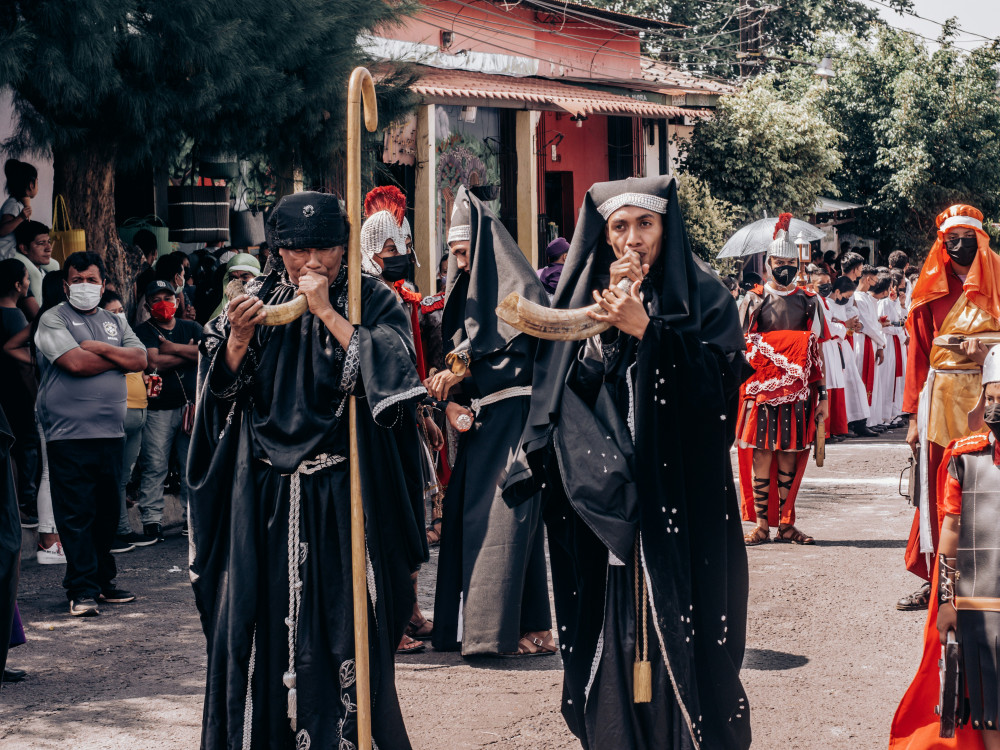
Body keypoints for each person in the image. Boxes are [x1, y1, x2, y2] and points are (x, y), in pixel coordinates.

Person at [503, 175, 751, 749]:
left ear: (666, 227)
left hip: (683, 503)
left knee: (688, 628)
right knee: (608, 627)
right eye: (620, 227)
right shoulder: (585, 296)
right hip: (608, 508)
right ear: (605, 234)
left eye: (646, 224)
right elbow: (566, 390)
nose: (633, 239)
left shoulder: (706, 296)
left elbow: (720, 400)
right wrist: (604, 335)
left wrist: (651, 332)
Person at [188, 192, 427, 749]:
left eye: (324, 248)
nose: (312, 261)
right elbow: (221, 400)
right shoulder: (252, 303)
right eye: (297, 250)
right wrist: (238, 342)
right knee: (265, 634)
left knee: (345, 632)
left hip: (344, 500)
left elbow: (392, 381)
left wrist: (326, 313)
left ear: (345, 248)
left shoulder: (372, 299)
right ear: (278, 250)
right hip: (267, 502)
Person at [428, 186, 554, 658]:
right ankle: (517, 627)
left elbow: (503, 347)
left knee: (505, 523)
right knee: (472, 519)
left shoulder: (521, 288)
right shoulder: (467, 288)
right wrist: (450, 393)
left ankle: (504, 632)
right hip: (483, 425)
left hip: (515, 422)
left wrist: (457, 369)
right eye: (454, 254)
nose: (459, 263)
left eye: (464, 253)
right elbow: (469, 352)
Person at [889, 346, 1000, 749]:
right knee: (989, 705)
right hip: (981, 609)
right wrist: (947, 603)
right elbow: (950, 534)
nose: (994, 409)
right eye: (990, 398)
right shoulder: (967, 459)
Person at [898, 204, 1000, 613]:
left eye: (967, 237)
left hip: (993, 394)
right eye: (950, 239)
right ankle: (937, 578)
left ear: (981, 238)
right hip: (940, 400)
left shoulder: (998, 279)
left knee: (990, 485)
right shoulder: (931, 288)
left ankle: (988, 575)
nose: (959, 246)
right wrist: (910, 418)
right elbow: (918, 354)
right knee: (940, 489)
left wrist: (988, 356)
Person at [34, 252, 147, 616]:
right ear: (66, 284)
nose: (85, 286)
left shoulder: (115, 320)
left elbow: (141, 360)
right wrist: (118, 357)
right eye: (77, 279)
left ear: (103, 283)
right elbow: (74, 364)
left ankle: (102, 582)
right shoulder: (53, 319)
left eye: (92, 279)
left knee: (105, 513)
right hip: (68, 435)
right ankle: (80, 589)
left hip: (111, 433)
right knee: (76, 515)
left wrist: (99, 347)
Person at [360, 190, 443, 655]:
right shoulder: (364, 300)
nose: (400, 257)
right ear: (371, 252)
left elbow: (410, 361)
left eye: (402, 248)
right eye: (389, 250)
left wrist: (422, 412)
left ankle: (409, 610)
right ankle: (391, 619)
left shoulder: (403, 298)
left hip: (408, 419)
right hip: (379, 430)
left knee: (412, 517)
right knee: (387, 523)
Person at [737, 213, 829, 547]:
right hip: (762, 391)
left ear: (798, 264)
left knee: (790, 454)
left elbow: (817, 353)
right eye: (779, 261)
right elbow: (740, 348)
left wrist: (824, 397)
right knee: (762, 454)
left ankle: (786, 523)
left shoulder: (809, 300)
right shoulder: (754, 299)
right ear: (769, 262)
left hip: (799, 393)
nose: (784, 266)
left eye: (790, 261)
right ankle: (762, 524)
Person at [134, 280, 202, 541]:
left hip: (190, 409)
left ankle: (191, 520)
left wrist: (172, 348)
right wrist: (189, 352)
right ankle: (152, 521)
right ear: (149, 305)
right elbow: (153, 362)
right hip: (158, 409)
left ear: (177, 301)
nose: (164, 303)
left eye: (169, 297)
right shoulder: (144, 331)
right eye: (158, 298)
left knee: (190, 466)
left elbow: (207, 352)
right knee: (155, 465)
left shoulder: (192, 326)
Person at [99, 291, 156, 552]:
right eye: (113, 312)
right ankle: (112, 533)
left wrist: (147, 380)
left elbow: (142, 366)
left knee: (123, 477)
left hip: (139, 412)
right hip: (118, 414)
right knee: (110, 478)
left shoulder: (129, 339)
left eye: (121, 310)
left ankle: (122, 530)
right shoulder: (103, 343)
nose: (119, 315)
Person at [0, 259, 40, 528]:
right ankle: (26, 502)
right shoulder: (15, 317)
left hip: (4, 393)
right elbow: (23, 364)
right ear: (17, 285)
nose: (29, 284)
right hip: (17, 391)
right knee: (27, 445)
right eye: (27, 279)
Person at [826, 276, 873, 437]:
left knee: (854, 385)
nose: (846, 300)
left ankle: (858, 422)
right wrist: (844, 325)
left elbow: (850, 319)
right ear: (837, 291)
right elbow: (831, 325)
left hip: (844, 346)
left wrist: (856, 325)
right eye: (846, 296)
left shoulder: (842, 304)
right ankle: (845, 424)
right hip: (834, 347)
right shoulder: (827, 304)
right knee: (843, 386)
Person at [812, 270, 848, 441]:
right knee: (826, 385)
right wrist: (842, 327)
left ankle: (833, 428)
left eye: (828, 282)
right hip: (823, 346)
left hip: (832, 346)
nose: (826, 286)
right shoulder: (814, 299)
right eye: (821, 283)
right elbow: (827, 326)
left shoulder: (826, 301)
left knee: (834, 385)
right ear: (812, 284)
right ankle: (823, 431)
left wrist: (839, 326)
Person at [852, 265, 887, 432]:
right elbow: (868, 325)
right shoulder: (858, 298)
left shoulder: (865, 297)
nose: (875, 283)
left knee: (873, 382)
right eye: (874, 280)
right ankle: (861, 422)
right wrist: (882, 341)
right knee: (863, 381)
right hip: (863, 341)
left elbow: (874, 323)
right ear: (867, 279)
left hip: (872, 341)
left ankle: (870, 420)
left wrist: (880, 344)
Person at [12, 220, 58, 321]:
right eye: (41, 243)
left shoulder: (46, 273)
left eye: (49, 242)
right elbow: (38, 318)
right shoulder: (22, 281)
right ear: (24, 249)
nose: (49, 248)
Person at [0, 159, 37, 261]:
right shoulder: (13, 204)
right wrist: (21, 217)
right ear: (31, 184)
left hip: (14, 252)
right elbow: (2, 231)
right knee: (36, 275)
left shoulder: (19, 204)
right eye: (37, 181)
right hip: (6, 254)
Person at [208, 252, 260, 319]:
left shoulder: (270, 299)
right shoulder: (217, 303)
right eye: (234, 278)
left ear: (257, 277)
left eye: (245, 277)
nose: (239, 282)